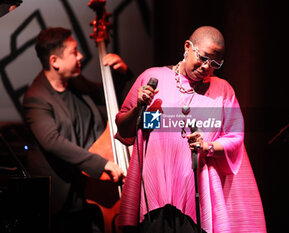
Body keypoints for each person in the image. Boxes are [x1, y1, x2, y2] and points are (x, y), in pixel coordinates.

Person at [115, 26, 266, 233]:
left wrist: (208, 147)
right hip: (153, 195)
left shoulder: (222, 90)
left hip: (198, 193)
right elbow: (124, 129)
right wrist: (138, 107)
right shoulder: (153, 78)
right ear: (188, 47)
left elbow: (235, 137)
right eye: (203, 58)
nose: (206, 67)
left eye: (215, 63)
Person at [22, 27, 128, 233]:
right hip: (62, 195)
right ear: (54, 61)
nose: (80, 56)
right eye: (74, 51)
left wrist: (120, 73)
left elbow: (103, 96)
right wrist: (102, 163)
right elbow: (53, 141)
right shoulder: (36, 97)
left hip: (89, 186)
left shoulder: (73, 82)